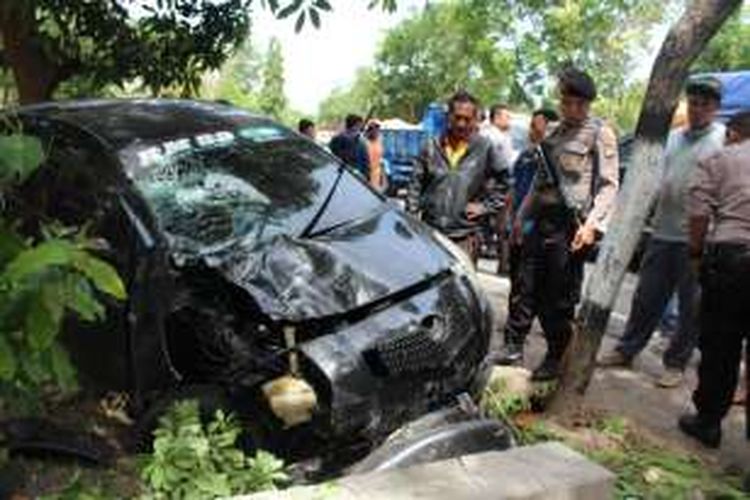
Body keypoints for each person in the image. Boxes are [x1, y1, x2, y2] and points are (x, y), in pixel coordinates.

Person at [598, 76, 725, 388]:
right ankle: (627, 349)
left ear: (716, 108)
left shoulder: (723, 139)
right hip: (662, 231)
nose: (697, 109)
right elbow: (654, 178)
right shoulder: (673, 137)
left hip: (699, 238)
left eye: (704, 104)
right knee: (646, 297)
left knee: (690, 307)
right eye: (693, 102)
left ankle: (675, 364)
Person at [512, 68, 619, 381]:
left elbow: (609, 185)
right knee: (526, 286)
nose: (573, 110)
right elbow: (539, 183)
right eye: (567, 102)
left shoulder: (600, 133)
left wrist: (592, 226)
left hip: (571, 227)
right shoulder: (553, 133)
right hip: (542, 221)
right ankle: (514, 345)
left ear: (588, 103)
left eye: (580, 104)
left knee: (557, 298)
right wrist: (521, 217)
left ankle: (557, 357)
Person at [678, 110, 750, 448]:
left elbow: (698, 213)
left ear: (734, 132)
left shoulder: (719, 158)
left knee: (721, 347)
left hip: (731, 262)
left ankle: (708, 422)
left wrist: (695, 254)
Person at [407, 90, 509, 261]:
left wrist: (485, 207)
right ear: (449, 117)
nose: (461, 124)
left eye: (467, 119)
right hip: (430, 234)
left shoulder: (484, 148)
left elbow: (505, 183)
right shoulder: (430, 147)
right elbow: (414, 187)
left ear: (475, 120)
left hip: (465, 238)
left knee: (460, 287)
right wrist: (411, 222)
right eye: (457, 117)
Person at [494, 109, 559, 365]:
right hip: (519, 229)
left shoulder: (553, 159)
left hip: (541, 235)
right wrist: (506, 220)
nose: (533, 130)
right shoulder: (525, 156)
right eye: (533, 126)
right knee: (518, 288)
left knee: (534, 291)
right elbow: (513, 189)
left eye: (538, 126)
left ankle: (546, 349)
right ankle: (513, 343)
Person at [329, 114, 370, 178]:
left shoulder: (336, 138)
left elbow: (365, 161)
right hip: (349, 175)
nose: (361, 128)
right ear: (356, 125)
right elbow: (365, 162)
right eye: (359, 125)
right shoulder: (359, 141)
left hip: (345, 175)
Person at [364, 121, 385, 190]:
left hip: (376, 176)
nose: (376, 132)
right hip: (366, 175)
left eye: (377, 130)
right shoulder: (364, 142)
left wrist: (382, 177)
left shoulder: (379, 141)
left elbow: (380, 159)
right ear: (369, 131)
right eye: (373, 129)